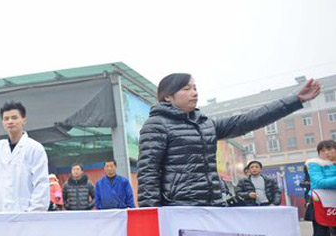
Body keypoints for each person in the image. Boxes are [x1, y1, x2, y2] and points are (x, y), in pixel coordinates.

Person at [137, 73, 321, 207]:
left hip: (213, 205)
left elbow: (249, 120)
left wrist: (295, 100)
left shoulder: (206, 124)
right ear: (168, 96)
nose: (194, 93)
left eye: (195, 88)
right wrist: (151, 213)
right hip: (177, 208)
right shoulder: (156, 125)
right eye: (186, 89)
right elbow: (148, 172)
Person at [305, 140, 336, 236]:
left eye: (329, 149)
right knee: (319, 233)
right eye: (322, 151)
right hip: (320, 202)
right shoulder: (315, 164)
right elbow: (319, 182)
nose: (326, 153)